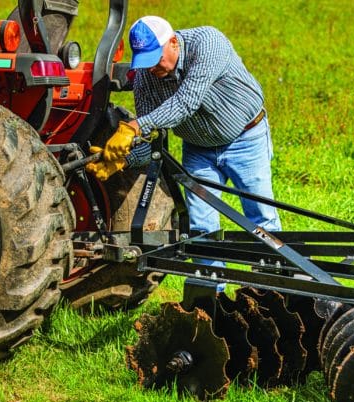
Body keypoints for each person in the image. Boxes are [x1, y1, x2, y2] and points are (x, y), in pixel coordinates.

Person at [87, 15, 281, 289]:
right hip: (199, 150)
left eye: (156, 58)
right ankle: (209, 298)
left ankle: (272, 289)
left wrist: (134, 126)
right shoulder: (146, 78)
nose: (152, 67)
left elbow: (187, 101)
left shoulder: (208, 44)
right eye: (146, 61)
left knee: (261, 217)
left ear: (174, 42)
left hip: (245, 139)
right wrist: (122, 161)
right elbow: (154, 141)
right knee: (201, 228)